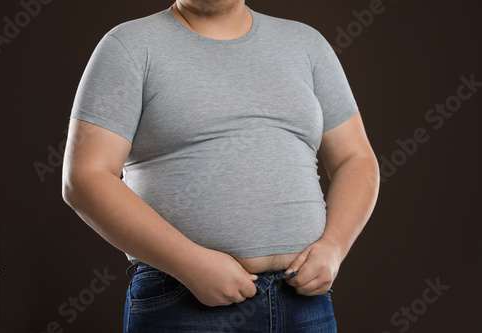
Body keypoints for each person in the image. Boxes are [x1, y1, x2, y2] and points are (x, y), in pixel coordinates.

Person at [62, 0, 380, 331]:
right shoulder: (129, 46)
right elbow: (85, 177)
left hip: (303, 304)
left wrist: (334, 247)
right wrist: (190, 264)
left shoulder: (307, 44)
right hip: (182, 300)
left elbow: (355, 159)